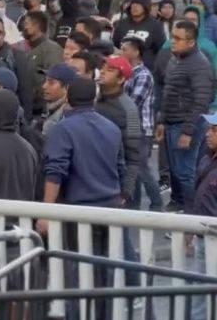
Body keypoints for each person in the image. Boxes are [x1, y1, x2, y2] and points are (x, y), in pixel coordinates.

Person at [39, 78, 124, 223]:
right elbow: (121, 167)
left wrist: (46, 213)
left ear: (67, 97)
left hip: (79, 211)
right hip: (111, 206)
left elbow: (55, 171)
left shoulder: (63, 129)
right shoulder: (112, 128)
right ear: (94, 98)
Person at [156, 20, 215, 212]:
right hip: (173, 122)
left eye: (179, 39)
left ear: (191, 42)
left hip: (187, 124)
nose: (173, 41)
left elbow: (201, 100)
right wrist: (162, 121)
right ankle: (184, 210)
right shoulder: (176, 58)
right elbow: (169, 92)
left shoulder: (199, 64)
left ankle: (192, 219)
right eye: (173, 37)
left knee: (185, 173)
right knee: (178, 172)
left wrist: (188, 131)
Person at [120, 38, 163, 211]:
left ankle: (157, 203)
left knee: (142, 169)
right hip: (129, 128)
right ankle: (133, 204)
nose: (121, 52)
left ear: (136, 52)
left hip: (141, 130)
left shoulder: (143, 75)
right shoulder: (128, 74)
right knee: (133, 169)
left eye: (125, 49)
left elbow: (133, 102)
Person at [95, 56, 143, 208]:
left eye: (109, 70)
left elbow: (134, 156)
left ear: (121, 79)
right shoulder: (95, 100)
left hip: (116, 184)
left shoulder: (129, 110)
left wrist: (127, 192)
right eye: (102, 68)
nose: (102, 72)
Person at [189, 113, 217, 320]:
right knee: (200, 280)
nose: (208, 134)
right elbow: (196, 194)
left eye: (214, 130)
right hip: (203, 232)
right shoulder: (207, 159)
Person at [22, 11, 63, 115]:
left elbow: (54, 79)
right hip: (27, 107)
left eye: (26, 24)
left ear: (36, 26)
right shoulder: (26, 49)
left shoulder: (51, 49)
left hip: (41, 110)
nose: (24, 27)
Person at [111, 0, 166, 70]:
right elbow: (115, 44)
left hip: (146, 67)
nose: (135, 7)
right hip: (123, 67)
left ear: (145, 6)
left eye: (138, 4)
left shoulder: (155, 25)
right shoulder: (122, 24)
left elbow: (160, 49)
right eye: (133, 4)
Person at [37, 63, 76, 136]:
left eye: (51, 83)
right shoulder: (52, 108)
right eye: (45, 81)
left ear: (66, 88)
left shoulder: (65, 116)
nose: (44, 86)